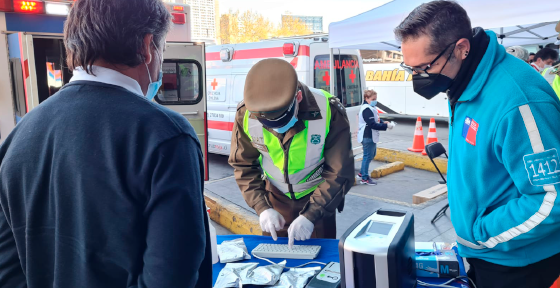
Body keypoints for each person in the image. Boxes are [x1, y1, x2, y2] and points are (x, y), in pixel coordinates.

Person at [0, 0, 211, 287]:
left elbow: (8, 269)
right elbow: (171, 277)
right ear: (147, 47)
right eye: (163, 49)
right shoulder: (166, 137)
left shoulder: (17, 137)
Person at [395, 1, 560, 287]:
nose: (417, 77)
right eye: (410, 67)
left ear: (461, 48)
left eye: (425, 67)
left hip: (519, 265)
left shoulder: (519, 100)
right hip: (487, 254)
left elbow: (551, 198)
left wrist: (480, 233)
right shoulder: (463, 82)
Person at [229, 59, 354, 248]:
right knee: (274, 260)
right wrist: (262, 208)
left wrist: (312, 214)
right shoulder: (246, 113)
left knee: (319, 261)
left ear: (298, 98)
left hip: (319, 196)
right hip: (274, 198)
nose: (278, 132)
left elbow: (339, 171)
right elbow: (243, 165)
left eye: (281, 122)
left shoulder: (329, 110)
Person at [356, 89, 395, 185]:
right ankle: (364, 178)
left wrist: (383, 122)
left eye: (376, 99)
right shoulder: (366, 109)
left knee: (371, 155)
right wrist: (386, 126)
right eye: (373, 99)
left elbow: (376, 119)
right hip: (367, 136)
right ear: (367, 98)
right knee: (367, 156)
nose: (375, 101)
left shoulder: (370, 107)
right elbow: (372, 124)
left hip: (371, 136)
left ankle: (362, 173)